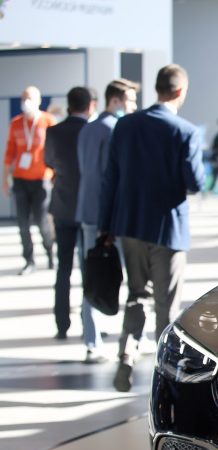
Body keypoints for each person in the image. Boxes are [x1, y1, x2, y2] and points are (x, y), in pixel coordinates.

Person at [98, 64, 205, 392]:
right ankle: (164, 375)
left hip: (129, 226)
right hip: (168, 230)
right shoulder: (185, 131)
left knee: (136, 296)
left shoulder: (126, 125)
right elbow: (195, 182)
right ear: (180, 92)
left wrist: (106, 225)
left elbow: (110, 179)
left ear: (156, 89)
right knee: (167, 305)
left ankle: (126, 357)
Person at [76, 78, 139, 363]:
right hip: (109, 218)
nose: (133, 106)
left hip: (86, 212)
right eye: (130, 100)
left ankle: (92, 341)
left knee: (92, 275)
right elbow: (110, 179)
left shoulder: (87, 129)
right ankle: (133, 338)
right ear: (116, 100)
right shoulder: (114, 129)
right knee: (131, 277)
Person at [44, 87, 93, 342]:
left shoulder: (54, 131)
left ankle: (62, 323)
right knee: (87, 269)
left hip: (62, 206)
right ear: (89, 106)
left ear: (69, 105)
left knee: (63, 268)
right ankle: (89, 325)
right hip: (86, 209)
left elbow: (49, 161)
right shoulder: (91, 130)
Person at [3, 86, 55, 276]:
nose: (26, 102)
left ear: (39, 100)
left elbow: (56, 151)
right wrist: (5, 180)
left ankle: (50, 252)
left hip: (42, 179)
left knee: (42, 222)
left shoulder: (48, 121)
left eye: (30, 98)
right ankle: (29, 260)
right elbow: (9, 153)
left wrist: (56, 176)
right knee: (23, 223)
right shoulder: (16, 123)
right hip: (20, 180)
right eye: (23, 98)